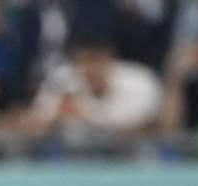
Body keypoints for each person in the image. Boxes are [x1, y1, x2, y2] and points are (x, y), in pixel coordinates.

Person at [24, 33, 162, 137]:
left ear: (109, 59)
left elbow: (149, 128)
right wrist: (55, 116)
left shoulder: (139, 81)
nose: (90, 69)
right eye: (83, 61)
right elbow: (35, 123)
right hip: (74, 158)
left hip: (132, 157)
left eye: (96, 60)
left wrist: (87, 118)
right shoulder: (63, 78)